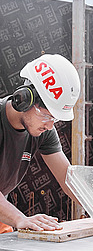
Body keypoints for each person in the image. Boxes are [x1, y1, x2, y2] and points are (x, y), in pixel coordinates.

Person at [0, 53, 80, 232]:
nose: (50, 125)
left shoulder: (44, 130)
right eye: (47, 115)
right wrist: (19, 218)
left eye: (55, 118)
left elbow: (68, 178)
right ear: (23, 99)